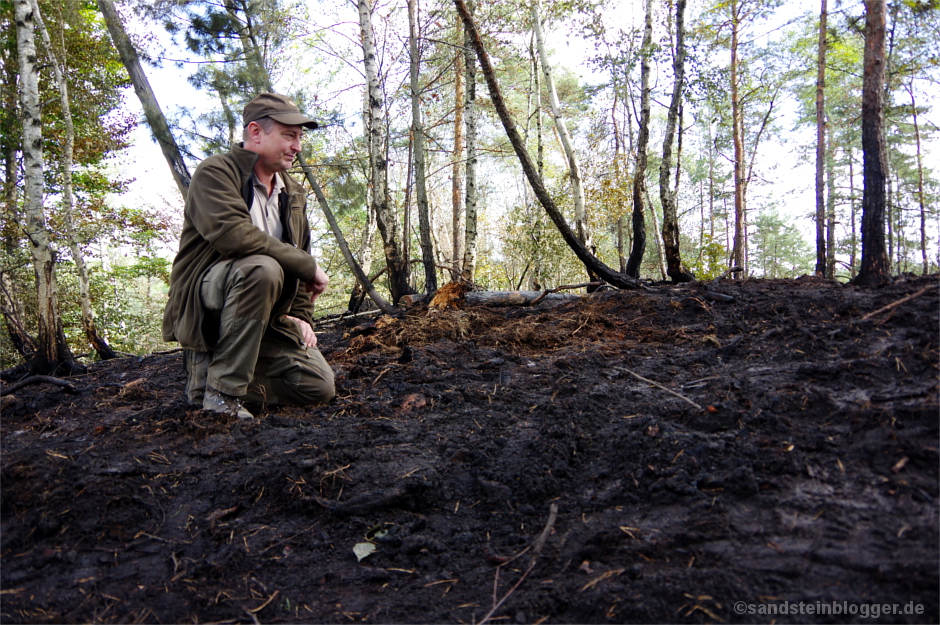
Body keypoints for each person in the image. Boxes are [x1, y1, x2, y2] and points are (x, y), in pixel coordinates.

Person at [162, 93, 335, 419]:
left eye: (299, 137)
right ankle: (222, 396)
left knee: (317, 387)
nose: (297, 146)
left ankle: (209, 379)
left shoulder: (293, 193)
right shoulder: (215, 173)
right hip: (210, 305)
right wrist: (308, 266)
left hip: (264, 315)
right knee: (262, 267)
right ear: (256, 132)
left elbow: (297, 256)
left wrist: (301, 318)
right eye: (289, 135)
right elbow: (234, 237)